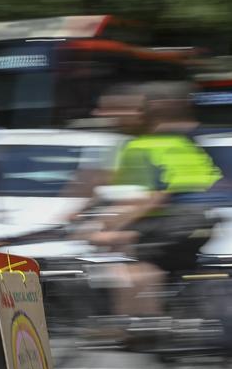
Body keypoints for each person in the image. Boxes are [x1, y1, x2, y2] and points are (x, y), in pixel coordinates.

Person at [86, 81, 223, 317]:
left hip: (180, 222)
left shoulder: (147, 145)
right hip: (199, 221)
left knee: (133, 264)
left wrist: (111, 227)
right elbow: (122, 194)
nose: (103, 116)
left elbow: (156, 197)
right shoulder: (173, 142)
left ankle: (141, 327)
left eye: (115, 110)